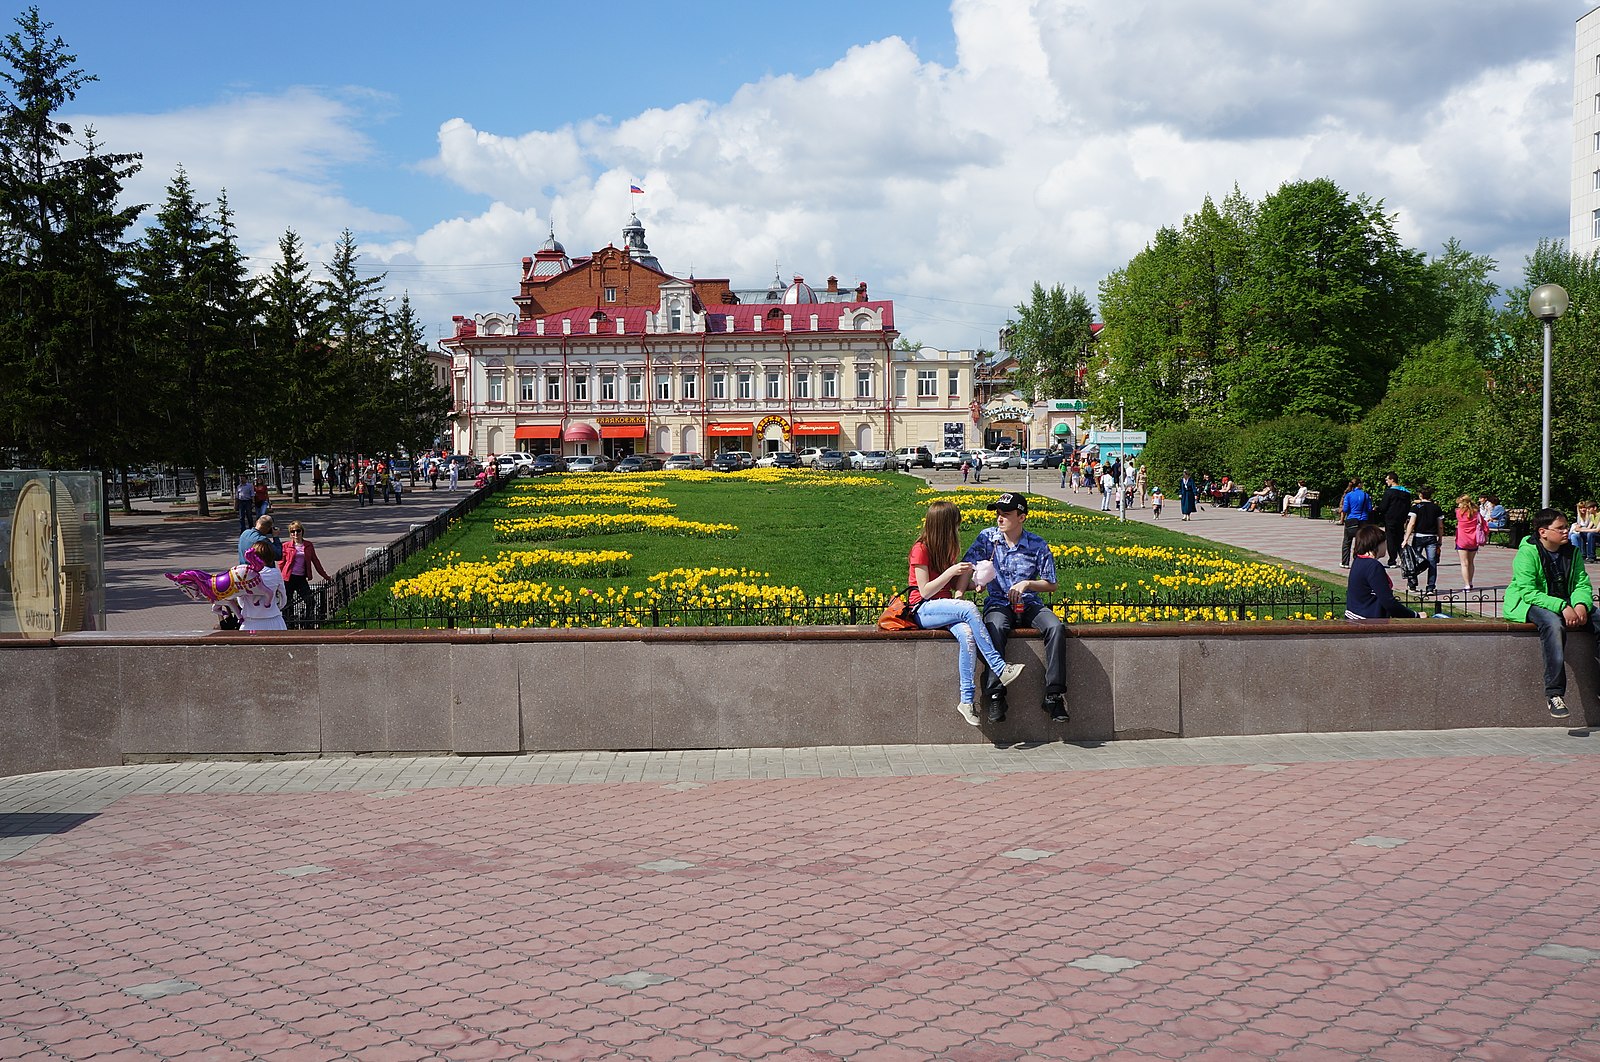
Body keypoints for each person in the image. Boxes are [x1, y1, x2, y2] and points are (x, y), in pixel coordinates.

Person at [907, 500, 1026, 725]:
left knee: (968, 637)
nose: (957, 529)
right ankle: (1000, 667)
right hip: (923, 609)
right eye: (955, 525)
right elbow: (924, 591)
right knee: (968, 608)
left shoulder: (946, 549)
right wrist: (952, 570)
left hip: (944, 608)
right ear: (944, 525)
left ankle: (966, 701)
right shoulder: (920, 549)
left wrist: (975, 585)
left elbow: (949, 587)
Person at [961, 492, 1069, 724]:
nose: (999, 519)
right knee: (994, 627)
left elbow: (1052, 584)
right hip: (999, 603)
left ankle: (1054, 695)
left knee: (1055, 627)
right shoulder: (987, 538)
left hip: (1029, 603)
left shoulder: (1037, 544)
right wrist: (975, 584)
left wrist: (1027, 584)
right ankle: (995, 694)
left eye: (1006, 514)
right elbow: (967, 566)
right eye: (998, 514)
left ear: (1021, 517)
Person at [1503, 508, 1598, 719]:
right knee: (1553, 625)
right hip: (1530, 603)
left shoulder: (1572, 552)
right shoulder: (1527, 552)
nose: (1567, 531)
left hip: (1567, 602)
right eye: (1561, 528)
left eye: (1566, 527)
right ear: (1543, 532)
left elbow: (1581, 583)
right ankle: (1554, 694)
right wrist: (1562, 607)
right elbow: (1528, 592)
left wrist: (1581, 604)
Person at [1345, 524, 1417, 621]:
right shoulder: (1373, 566)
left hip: (1353, 616)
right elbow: (1388, 602)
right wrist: (1414, 615)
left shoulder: (1358, 560)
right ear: (1377, 544)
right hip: (1367, 621)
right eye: (1384, 542)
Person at [278, 520, 332, 624]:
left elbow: (315, 561)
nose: (295, 534)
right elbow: (281, 563)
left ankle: (307, 622)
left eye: (298, 531)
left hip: (301, 578)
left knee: (310, 600)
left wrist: (325, 576)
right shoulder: (286, 546)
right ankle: (289, 623)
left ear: (302, 532)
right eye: (292, 532)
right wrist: (283, 575)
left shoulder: (308, 545)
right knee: (288, 603)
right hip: (289, 578)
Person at [1401, 486, 1445, 595]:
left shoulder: (1416, 507)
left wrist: (1406, 538)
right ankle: (1430, 587)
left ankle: (1412, 583)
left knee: (1414, 560)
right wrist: (1440, 539)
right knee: (1432, 562)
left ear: (1420, 495)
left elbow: (1411, 523)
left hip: (1418, 536)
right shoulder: (1436, 508)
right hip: (1431, 537)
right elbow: (1440, 526)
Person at [236, 541, 288, 632]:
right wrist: (276, 607)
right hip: (274, 620)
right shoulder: (276, 573)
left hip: (250, 622)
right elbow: (283, 598)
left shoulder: (245, 575)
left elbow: (240, 601)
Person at [1376, 472, 1413, 568]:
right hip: (1401, 519)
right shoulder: (1406, 493)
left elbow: (1383, 507)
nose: (1386, 481)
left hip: (1390, 519)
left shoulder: (1389, 492)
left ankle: (1392, 560)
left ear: (1392, 480)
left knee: (1391, 539)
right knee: (1400, 538)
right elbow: (1408, 506)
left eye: (1387, 479)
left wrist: (1377, 510)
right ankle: (1403, 558)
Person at [1454, 494, 1486, 590]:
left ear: (1462, 503)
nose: (1458, 506)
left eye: (1459, 503)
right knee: (1471, 562)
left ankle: (1466, 584)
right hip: (1473, 540)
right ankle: (1471, 582)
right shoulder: (1476, 513)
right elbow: (1484, 524)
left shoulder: (1458, 513)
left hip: (1462, 540)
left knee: (1464, 563)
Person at [1338, 478, 1372, 568]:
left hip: (1351, 519)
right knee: (1361, 541)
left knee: (1347, 541)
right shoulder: (1366, 495)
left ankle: (1345, 562)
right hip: (1363, 520)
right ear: (1359, 484)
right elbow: (1369, 509)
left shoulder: (1349, 495)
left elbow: (1345, 509)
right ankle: (1359, 561)